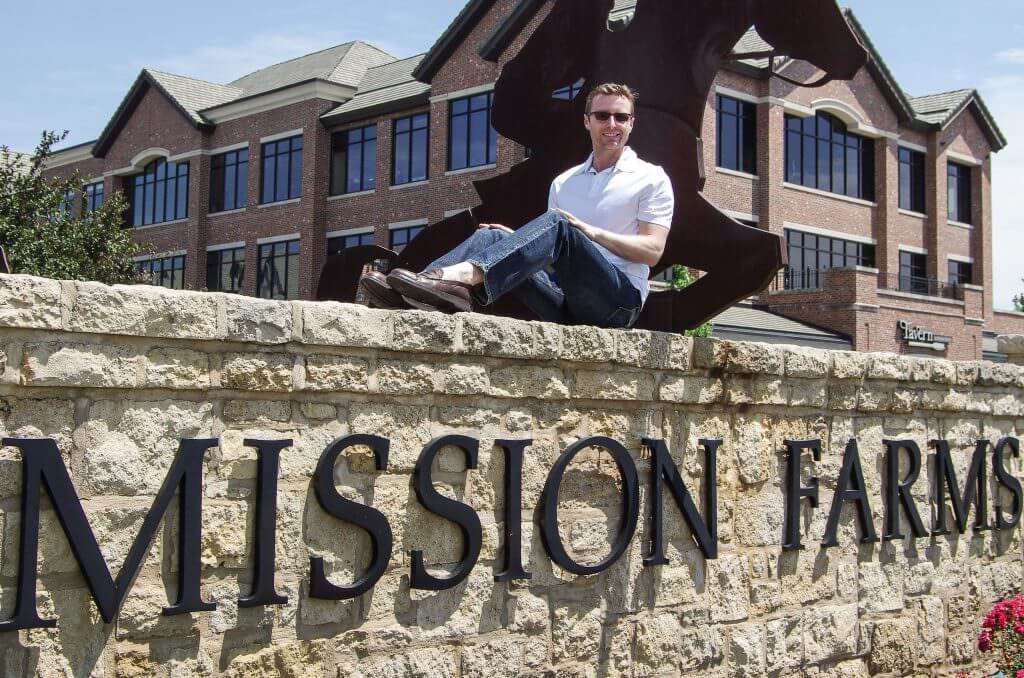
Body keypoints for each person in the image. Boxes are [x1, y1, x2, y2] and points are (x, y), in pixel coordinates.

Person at [359, 83, 673, 329]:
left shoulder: (650, 178)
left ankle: (456, 280)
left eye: (621, 117)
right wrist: (515, 238)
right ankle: (411, 294)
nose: (612, 123)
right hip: (565, 303)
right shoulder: (565, 182)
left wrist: (589, 232)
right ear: (587, 121)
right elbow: (553, 258)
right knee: (494, 237)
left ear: (632, 123)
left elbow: (652, 250)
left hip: (618, 304)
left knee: (560, 226)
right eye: (603, 115)